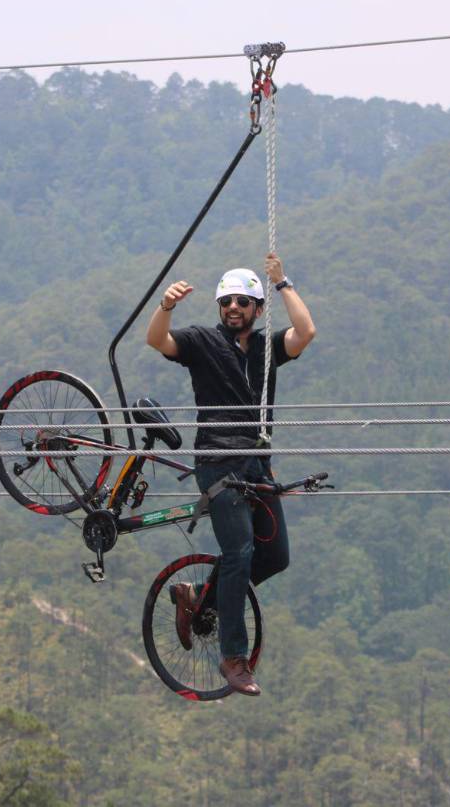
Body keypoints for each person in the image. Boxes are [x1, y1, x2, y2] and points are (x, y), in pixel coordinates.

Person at [146, 253, 316, 696]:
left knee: (274, 556)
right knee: (239, 551)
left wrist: (283, 284)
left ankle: (198, 599)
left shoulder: (265, 350)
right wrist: (165, 307)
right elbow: (157, 341)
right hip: (219, 463)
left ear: (258, 309)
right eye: (227, 302)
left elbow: (306, 332)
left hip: (257, 465)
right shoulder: (203, 341)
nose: (233, 308)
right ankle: (232, 657)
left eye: (243, 301)